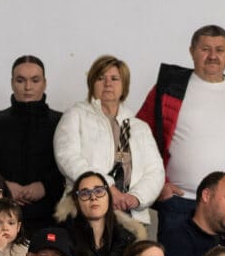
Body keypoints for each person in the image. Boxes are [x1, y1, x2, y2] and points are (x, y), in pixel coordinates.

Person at [136, 25, 225, 238]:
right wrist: (158, 185)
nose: (213, 56)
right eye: (205, 49)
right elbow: (139, 138)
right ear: (192, 51)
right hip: (177, 201)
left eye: (220, 50)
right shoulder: (169, 87)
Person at [52, 54, 164, 226]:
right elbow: (68, 158)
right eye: (100, 78)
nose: (108, 83)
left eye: (114, 79)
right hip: (84, 211)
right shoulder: (75, 115)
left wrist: (135, 198)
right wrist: (106, 188)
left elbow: (155, 171)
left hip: (131, 217)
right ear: (92, 84)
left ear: (124, 85)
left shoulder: (140, 127)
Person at [0, 56, 64, 230]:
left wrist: (45, 186)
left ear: (44, 83)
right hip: (0, 217)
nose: (28, 87)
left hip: (52, 218)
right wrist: (3, 186)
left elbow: (72, 166)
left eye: (35, 80)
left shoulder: (63, 122)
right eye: (21, 80)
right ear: (12, 83)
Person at [57, 170, 139, 256]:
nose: (93, 197)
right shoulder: (64, 237)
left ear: (109, 197)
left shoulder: (127, 239)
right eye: (85, 193)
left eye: (99, 191)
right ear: (77, 202)